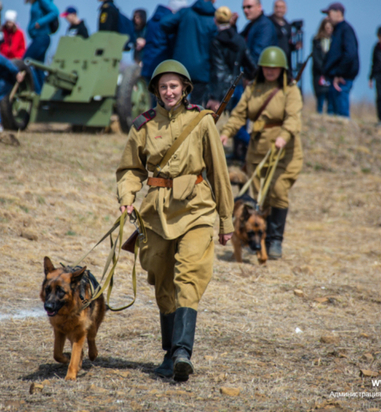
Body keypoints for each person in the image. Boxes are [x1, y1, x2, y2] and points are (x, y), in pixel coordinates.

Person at [116, 60, 233, 382]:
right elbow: (130, 169)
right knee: (162, 279)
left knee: (189, 274)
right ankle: (169, 354)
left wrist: (226, 221)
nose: (169, 92)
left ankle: (183, 351)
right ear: (155, 90)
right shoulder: (142, 126)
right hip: (156, 213)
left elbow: (219, 174)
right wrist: (127, 196)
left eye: (174, 86)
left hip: (196, 208)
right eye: (163, 86)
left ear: (185, 89)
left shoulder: (202, 121)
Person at [220, 47, 302, 259]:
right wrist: (226, 133)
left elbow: (293, 118)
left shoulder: (290, 90)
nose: (270, 71)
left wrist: (284, 135)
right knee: (259, 198)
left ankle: (276, 240)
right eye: (266, 67)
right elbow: (239, 114)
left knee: (278, 191)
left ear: (282, 69)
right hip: (257, 151)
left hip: (284, 151)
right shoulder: (253, 88)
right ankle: (257, 241)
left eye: (275, 68)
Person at [207, 6, 257, 161]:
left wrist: (215, 95)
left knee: (222, 125)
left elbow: (218, 70)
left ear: (215, 21)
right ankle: (250, 152)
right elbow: (251, 65)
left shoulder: (215, 41)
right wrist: (249, 77)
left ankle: (257, 148)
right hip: (239, 86)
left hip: (222, 88)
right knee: (239, 123)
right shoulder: (239, 39)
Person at [160, 0, 217, 106]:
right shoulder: (214, 19)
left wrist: (176, 30)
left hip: (180, 67)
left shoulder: (185, 12)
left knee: (175, 104)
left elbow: (164, 23)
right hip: (202, 70)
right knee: (196, 107)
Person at [321, 2, 359, 118]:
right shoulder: (337, 30)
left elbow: (350, 54)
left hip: (342, 79)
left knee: (341, 116)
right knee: (332, 114)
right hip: (334, 78)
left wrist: (339, 73)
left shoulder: (346, 30)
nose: (327, 17)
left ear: (339, 13)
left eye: (329, 13)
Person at [24, 0, 59, 94]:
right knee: (38, 67)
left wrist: (40, 22)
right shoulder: (35, 2)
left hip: (41, 37)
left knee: (25, 61)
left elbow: (55, 12)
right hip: (38, 37)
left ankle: (36, 91)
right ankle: (42, 95)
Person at [140, 1, 178, 83]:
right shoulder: (169, 21)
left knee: (148, 92)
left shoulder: (151, 21)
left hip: (147, 63)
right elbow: (172, 44)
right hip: (162, 62)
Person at [269, 0, 299, 67]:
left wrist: (294, 46)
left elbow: (286, 44)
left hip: (285, 62)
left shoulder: (287, 25)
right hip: (272, 60)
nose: (279, 10)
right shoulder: (268, 22)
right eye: (277, 7)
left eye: (281, 7)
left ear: (285, 9)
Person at [311, 17, 332, 114]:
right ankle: (319, 116)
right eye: (326, 28)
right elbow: (316, 58)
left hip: (331, 74)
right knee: (320, 97)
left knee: (330, 100)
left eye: (330, 28)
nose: (328, 30)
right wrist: (323, 70)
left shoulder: (335, 41)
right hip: (319, 74)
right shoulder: (316, 41)